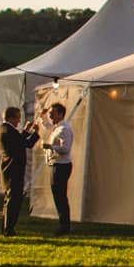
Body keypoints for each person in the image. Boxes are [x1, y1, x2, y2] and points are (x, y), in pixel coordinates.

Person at [0, 104, 38, 236]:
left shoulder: (1, 130)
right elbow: (23, 143)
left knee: (8, 198)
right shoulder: (9, 131)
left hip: (7, 168)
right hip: (13, 169)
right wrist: (33, 133)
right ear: (11, 118)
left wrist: (27, 132)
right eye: (17, 118)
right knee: (13, 200)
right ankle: (9, 228)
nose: (19, 121)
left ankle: (5, 226)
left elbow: (20, 142)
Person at [42, 100, 75, 235]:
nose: (50, 116)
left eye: (52, 113)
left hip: (61, 166)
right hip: (56, 164)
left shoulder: (64, 129)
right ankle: (63, 224)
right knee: (58, 195)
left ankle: (64, 226)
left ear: (61, 114)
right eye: (50, 113)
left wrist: (50, 147)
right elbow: (47, 126)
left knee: (60, 196)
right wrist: (41, 116)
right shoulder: (57, 127)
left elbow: (65, 148)